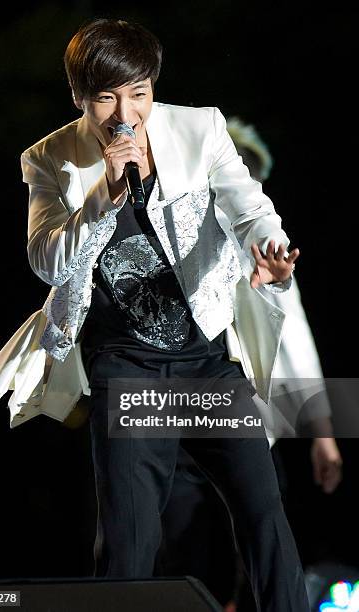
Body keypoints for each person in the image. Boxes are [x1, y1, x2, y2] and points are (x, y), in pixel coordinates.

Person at [0, 19, 309, 611]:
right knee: (131, 544)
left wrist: (270, 249)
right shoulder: (51, 158)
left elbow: (248, 204)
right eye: (106, 98)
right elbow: (47, 261)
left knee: (265, 518)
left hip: (206, 364)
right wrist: (106, 192)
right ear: (80, 96)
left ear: (153, 86)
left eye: (140, 94)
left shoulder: (200, 127)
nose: (126, 113)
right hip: (128, 371)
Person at [159, 116, 343, 610]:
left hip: (242, 423)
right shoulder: (171, 239)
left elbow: (295, 339)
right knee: (181, 542)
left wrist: (322, 433)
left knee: (258, 534)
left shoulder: (261, 250)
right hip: (174, 427)